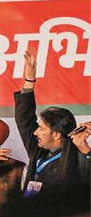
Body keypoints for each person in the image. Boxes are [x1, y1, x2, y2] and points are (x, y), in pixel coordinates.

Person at [15, 51, 91, 198]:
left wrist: (85, 150)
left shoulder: (76, 156)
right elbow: (24, 119)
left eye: (41, 128)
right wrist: (29, 80)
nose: (35, 132)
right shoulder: (37, 150)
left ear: (56, 134)